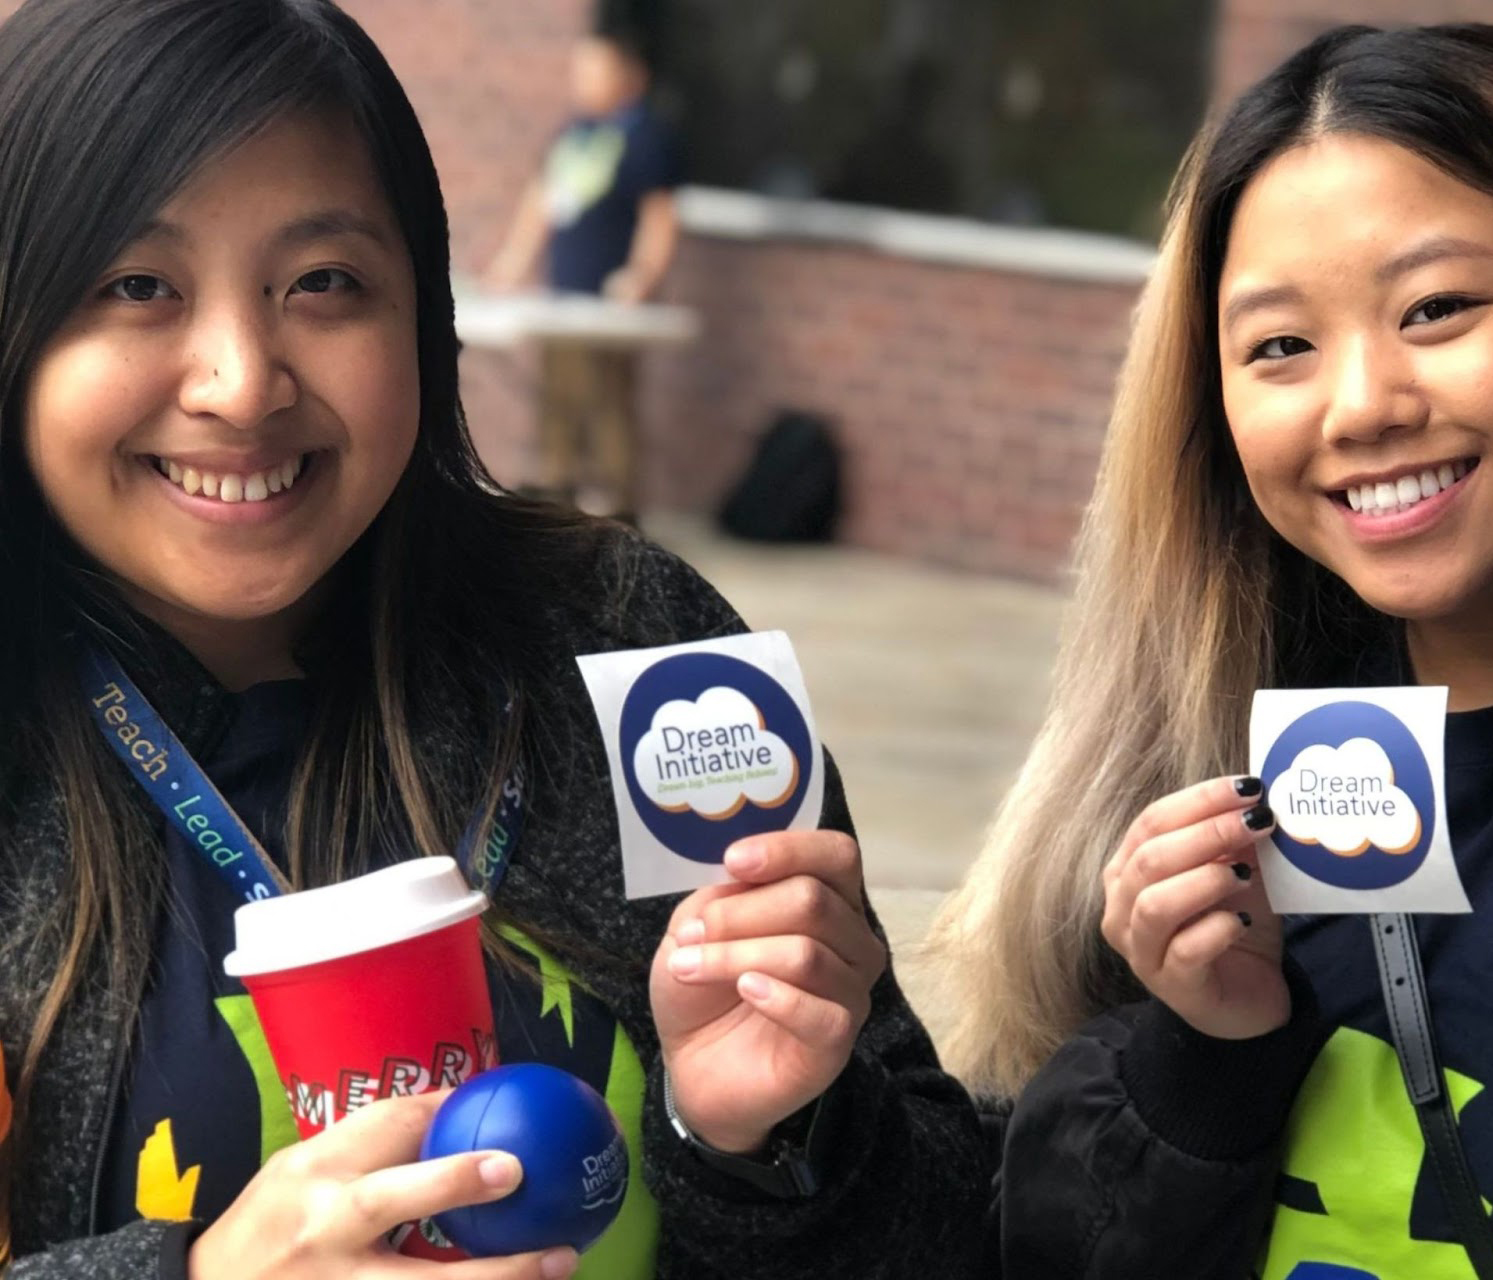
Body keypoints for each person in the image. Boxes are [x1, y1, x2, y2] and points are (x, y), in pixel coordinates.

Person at [0, 2, 989, 1278]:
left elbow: (950, 1223)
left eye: (324, 283)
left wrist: (762, 1133)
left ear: (425, 311)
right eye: (137, 286)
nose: (241, 382)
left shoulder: (633, 645)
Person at [924, 22, 1493, 1278]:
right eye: (1279, 346)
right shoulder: (1211, 796)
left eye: (1437, 307)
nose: (1361, 405)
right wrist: (1205, 1059)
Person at [482, 26, 682, 520]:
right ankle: (557, 488)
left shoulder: (644, 136)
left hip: (610, 304)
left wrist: (643, 275)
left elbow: (661, 218)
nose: (583, 80)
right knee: (559, 394)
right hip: (562, 296)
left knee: (607, 401)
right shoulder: (573, 134)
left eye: (595, 69)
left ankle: (617, 502)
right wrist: (513, 260)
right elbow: (541, 202)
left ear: (629, 75)